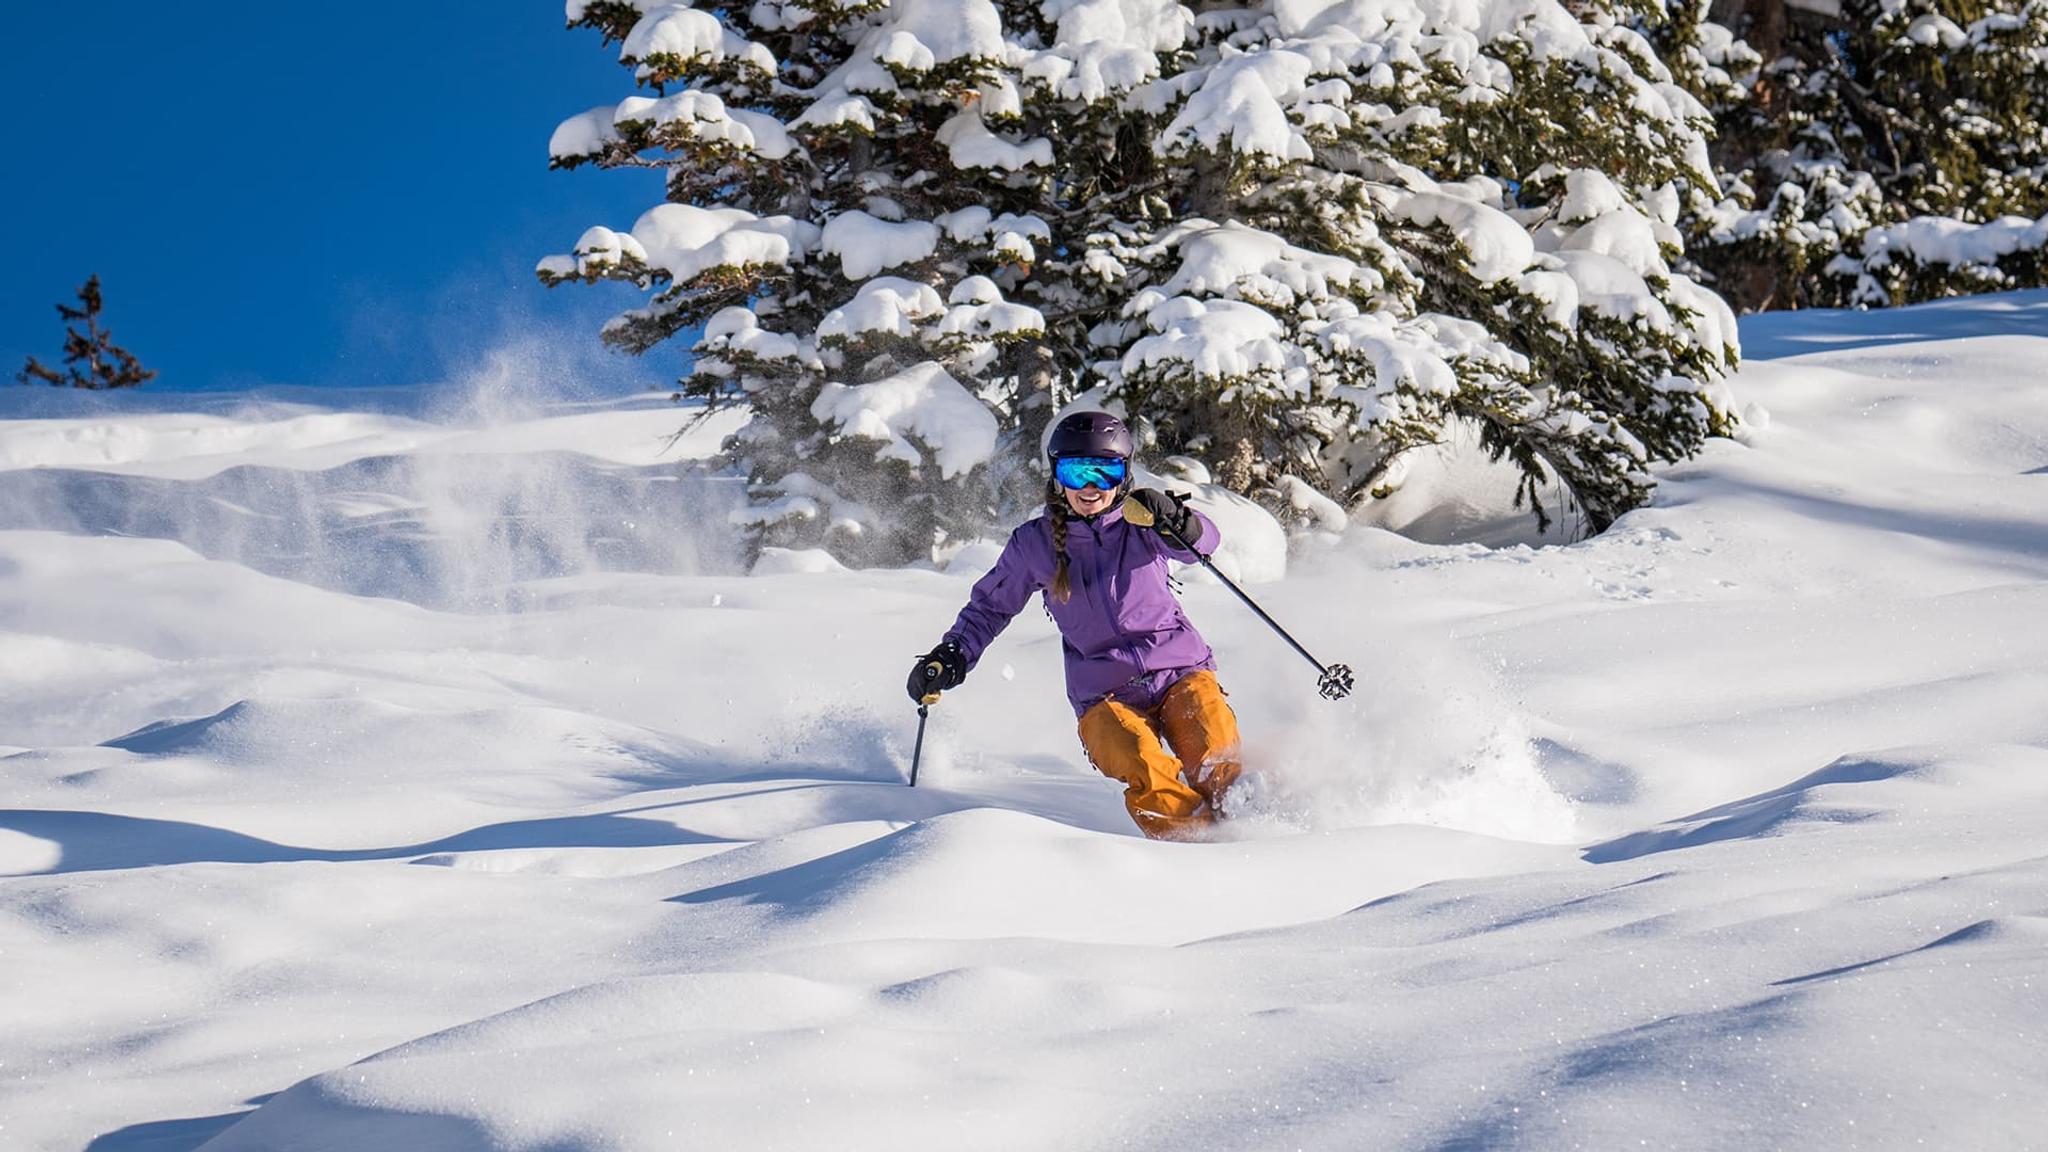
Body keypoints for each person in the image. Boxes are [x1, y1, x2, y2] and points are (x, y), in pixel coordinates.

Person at [907, 411, 1243, 840]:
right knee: (1144, 765)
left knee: (1215, 755)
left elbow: (1202, 546)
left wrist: (1180, 522)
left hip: (1181, 671)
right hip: (1104, 696)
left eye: (1104, 473)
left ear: (1123, 476)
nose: (1089, 487)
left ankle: (1255, 831)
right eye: (1076, 471)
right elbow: (990, 607)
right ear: (1056, 476)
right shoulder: (1036, 543)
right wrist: (953, 653)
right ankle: (1199, 850)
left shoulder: (1143, 523)